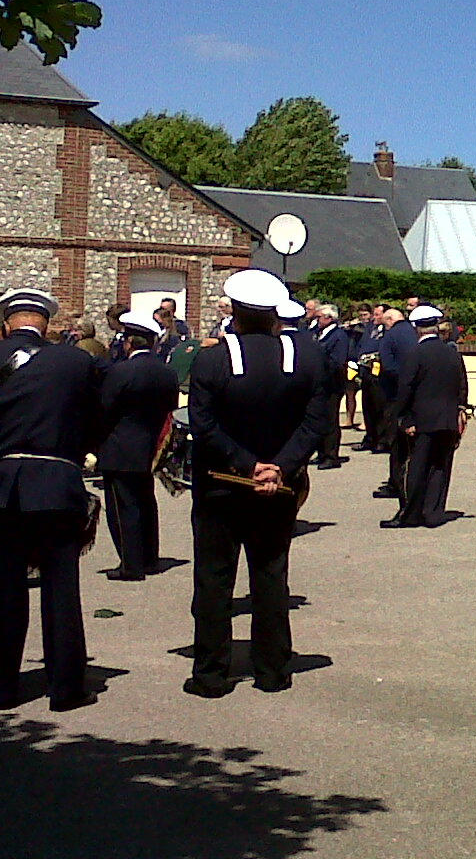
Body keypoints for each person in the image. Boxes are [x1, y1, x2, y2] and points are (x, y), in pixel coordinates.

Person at [0, 289, 103, 711]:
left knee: (3, 589)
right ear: (45, 323)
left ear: (5, 322)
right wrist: (71, 448)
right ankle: (66, 688)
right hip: (58, 478)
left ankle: (2, 688)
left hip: (1, 483)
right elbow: (97, 416)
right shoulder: (76, 361)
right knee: (61, 589)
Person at [185, 268, 329, 697]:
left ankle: (211, 673)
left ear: (235, 312)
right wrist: (280, 465)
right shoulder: (307, 356)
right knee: (270, 576)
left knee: (214, 580)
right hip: (279, 486)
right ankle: (272, 670)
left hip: (222, 485)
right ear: (273, 313)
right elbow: (316, 421)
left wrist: (248, 465)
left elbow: (203, 424)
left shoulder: (212, 358)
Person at [96, 310, 179, 580]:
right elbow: (171, 408)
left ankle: (131, 564)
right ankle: (150, 557)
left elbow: (105, 408)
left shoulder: (121, 371)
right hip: (151, 443)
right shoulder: (167, 372)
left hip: (121, 444)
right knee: (145, 503)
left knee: (123, 508)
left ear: (129, 342)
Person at [385, 305, 468, 528]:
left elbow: (406, 388)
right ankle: (434, 512)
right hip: (447, 419)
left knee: (416, 467)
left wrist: (403, 418)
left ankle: (411, 514)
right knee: (440, 467)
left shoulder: (415, 354)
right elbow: (462, 386)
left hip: (422, 420)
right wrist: (460, 411)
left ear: (416, 328)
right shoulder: (451, 353)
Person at [376, 306, 418, 497]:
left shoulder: (390, 336)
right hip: (416, 392)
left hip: (395, 395)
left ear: (391, 320)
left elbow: (388, 364)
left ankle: (396, 482)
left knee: (396, 441)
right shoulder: (414, 332)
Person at [312, 303, 350, 470]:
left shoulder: (338, 335)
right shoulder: (319, 334)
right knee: (319, 420)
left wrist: (320, 361)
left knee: (330, 421)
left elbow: (338, 361)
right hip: (319, 385)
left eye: (319, 317)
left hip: (332, 385)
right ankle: (321, 452)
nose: (316, 320)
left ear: (329, 318)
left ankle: (331, 455)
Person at [353, 304, 387, 452]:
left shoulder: (387, 331)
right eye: (375, 314)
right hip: (366, 371)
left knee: (379, 407)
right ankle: (370, 437)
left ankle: (381, 440)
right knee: (368, 406)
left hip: (379, 373)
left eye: (378, 314)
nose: (375, 317)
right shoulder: (370, 329)